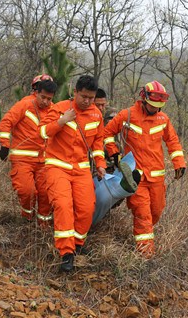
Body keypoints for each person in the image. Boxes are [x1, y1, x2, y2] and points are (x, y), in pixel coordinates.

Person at [103, 81, 186, 258]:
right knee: (143, 215)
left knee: (155, 212)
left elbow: (172, 141)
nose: (155, 109)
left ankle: (143, 240)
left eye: (158, 106)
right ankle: (145, 256)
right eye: (152, 105)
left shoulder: (163, 119)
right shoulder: (127, 116)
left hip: (157, 178)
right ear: (144, 98)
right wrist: (115, 154)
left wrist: (179, 162)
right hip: (135, 178)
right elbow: (107, 134)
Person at [39, 75, 106, 272]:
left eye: (91, 98)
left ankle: (77, 245)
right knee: (62, 205)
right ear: (75, 92)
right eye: (84, 96)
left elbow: (97, 143)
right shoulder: (59, 108)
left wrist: (100, 163)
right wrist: (62, 121)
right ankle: (66, 253)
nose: (87, 101)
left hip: (81, 168)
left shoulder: (96, 115)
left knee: (86, 209)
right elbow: (43, 132)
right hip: (57, 166)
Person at [0, 78, 57, 227]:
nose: (45, 101)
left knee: (45, 194)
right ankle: (27, 219)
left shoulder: (54, 109)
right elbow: (6, 122)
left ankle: (43, 227)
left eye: (49, 99)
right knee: (26, 191)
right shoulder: (24, 104)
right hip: (22, 158)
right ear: (36, 92)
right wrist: (5, 145)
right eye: (43, 97)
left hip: (45, 161)